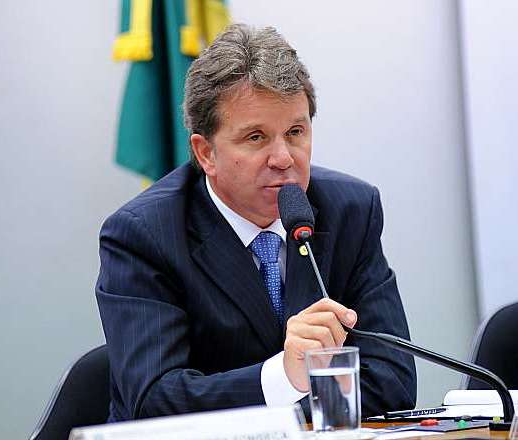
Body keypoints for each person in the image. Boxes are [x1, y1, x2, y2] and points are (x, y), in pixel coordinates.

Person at [96, 23, 416, 423]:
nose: (283, 158)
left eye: (295, 132)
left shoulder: (350, 210)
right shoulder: (144, 234)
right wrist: (284, 378)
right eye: (256, 138)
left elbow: (391, 382)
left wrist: (291, 407)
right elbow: (155, 401)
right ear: (206, 153)